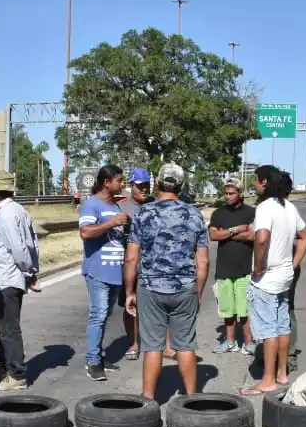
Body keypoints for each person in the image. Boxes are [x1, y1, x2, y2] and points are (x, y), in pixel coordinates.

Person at [124, 163, 209, 402]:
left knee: (152, 346)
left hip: (150, 287)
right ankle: (192, 398)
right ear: (181, 186)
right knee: (185, 345)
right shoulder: (194, 214)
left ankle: (149, 399)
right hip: (184, 285)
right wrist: (197, 292)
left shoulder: (143, 213)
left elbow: (131, 257)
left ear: (157, 183)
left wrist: (130, 291)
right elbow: (203, 262)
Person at [240, 170, 306, 396]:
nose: (254, 185)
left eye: (256, 181)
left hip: (267, 279)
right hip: (285, 275)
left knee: (269, 330)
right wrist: (294, 262)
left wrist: (258, 267)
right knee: (282, 326)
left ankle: (268, 379)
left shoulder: (265, 207)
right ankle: (281, 373)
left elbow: (261, 238)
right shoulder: (289, 207)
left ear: (265, 183)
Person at [0, 171, 39, 391]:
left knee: (8, 327)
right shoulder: (19, 210)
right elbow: (33, 242)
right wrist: (32, 271)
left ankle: (16, 373)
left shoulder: (5, 215)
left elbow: (19, 248)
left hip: (6, 276)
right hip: (9, 278)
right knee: (3, 326)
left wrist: (27, 268)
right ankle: (5, 365)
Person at [79, 164, 128, 381]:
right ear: (106, 182)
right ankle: (92, 361)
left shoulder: (116, 206)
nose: (122, 184)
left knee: (105, 316)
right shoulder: (92, 205)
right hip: (97, 271)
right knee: (98, 316)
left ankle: (99, 356)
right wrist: (112, 223)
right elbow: (85, 232)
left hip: (115, 271)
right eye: (119, 180)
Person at [208, 177, 256, 355]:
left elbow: (252, 236)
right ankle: (229, 342)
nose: (228, 196)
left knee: (244, 309)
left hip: (244, 268)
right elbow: (213, 236)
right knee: (227, 309)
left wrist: (225, 233)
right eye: (226, 193)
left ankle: (248, 343)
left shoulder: (251, 213)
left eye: (231, 193)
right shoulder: (218, 213)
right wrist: (237, 229)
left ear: (240, 194)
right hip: (224, 269)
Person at [116, 168, 151, 360]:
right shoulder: (121, 207)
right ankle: (134, 343)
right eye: (140, 186)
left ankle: (157, 344)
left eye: (146, 185)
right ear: (131, 186)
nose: (144, 189)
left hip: (153, 265)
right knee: (130, 306)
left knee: (156, 306)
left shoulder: (156, 205)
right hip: (130, 264)